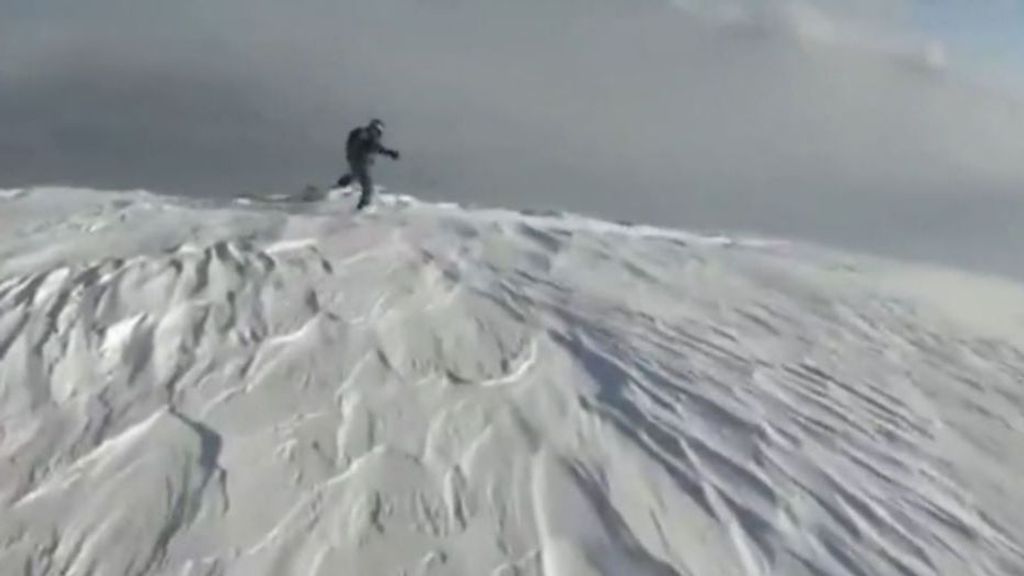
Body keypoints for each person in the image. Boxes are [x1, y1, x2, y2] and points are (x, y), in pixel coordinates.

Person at [336, 118, 400, 210]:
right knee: (367, 186)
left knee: (354, 175)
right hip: (362, 161)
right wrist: (390, 153)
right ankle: (363, 207)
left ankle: (339, 186)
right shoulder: (370, 134)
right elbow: (376, 146)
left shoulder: (362, 133)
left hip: (354, 160)